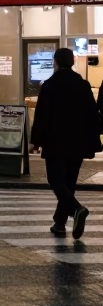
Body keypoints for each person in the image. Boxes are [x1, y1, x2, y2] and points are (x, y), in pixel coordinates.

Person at [31, 47, 101, 239]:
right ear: (72, 62)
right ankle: (59, 223)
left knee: (55, 180)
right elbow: (92, 115)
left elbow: (42, 115)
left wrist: (36, 141)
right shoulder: (83, 85)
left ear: (56, 62)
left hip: (55, 142)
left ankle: (77, 209)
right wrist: (92, 140)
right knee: (69, 182)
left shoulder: (50, 85)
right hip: (77, 143)